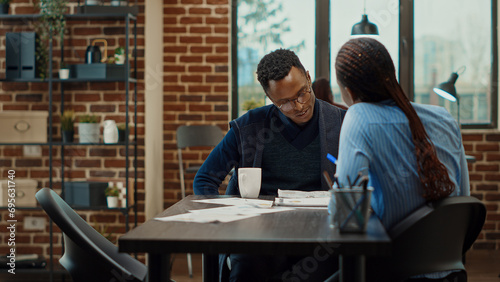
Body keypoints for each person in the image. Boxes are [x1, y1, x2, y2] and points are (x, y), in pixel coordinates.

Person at [194, 48, 346, 281]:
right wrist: (224, 219)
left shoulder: (341, 123)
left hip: (319, 235)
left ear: (307, 77)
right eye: (284, 102)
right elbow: (205, 179)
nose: (298, 106)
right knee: (247, 268)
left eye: (302, 93)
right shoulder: (249, 127)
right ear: (271, 100)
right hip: (259, 237)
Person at [334, 38, 469, 281]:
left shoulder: (359, 116)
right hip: (452, 271)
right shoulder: (444, 117)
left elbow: (348, 216)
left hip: (390, 271)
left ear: (349, 91)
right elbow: (463, 203)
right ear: (391, 75)